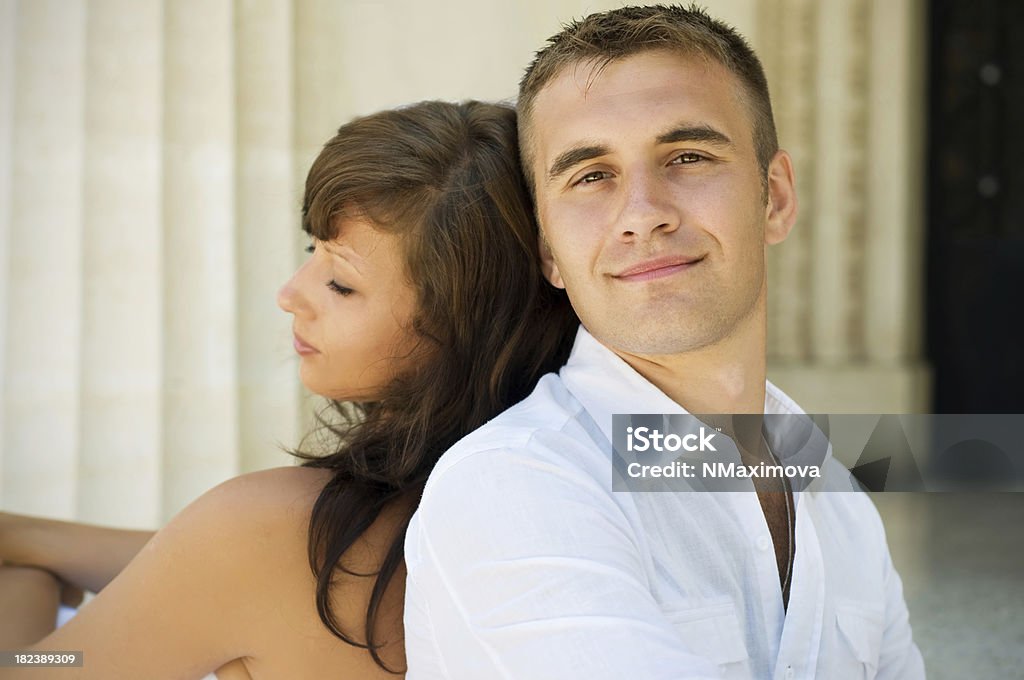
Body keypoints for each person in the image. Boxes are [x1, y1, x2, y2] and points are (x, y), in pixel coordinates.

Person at [403, 6, 926, 679]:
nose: (643, 214)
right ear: (547, 251)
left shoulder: (828, 480)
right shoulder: (515, 483)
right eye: (591, 175)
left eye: (688, 156)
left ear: (774, 197)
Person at [0, 100, 578, 679]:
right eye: (313, 251)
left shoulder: (275, 533)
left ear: (464, 323)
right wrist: (28, 539)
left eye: (340, 284)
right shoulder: (582, 461)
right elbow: (201, 573)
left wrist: (25, 585)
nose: (290, 293)